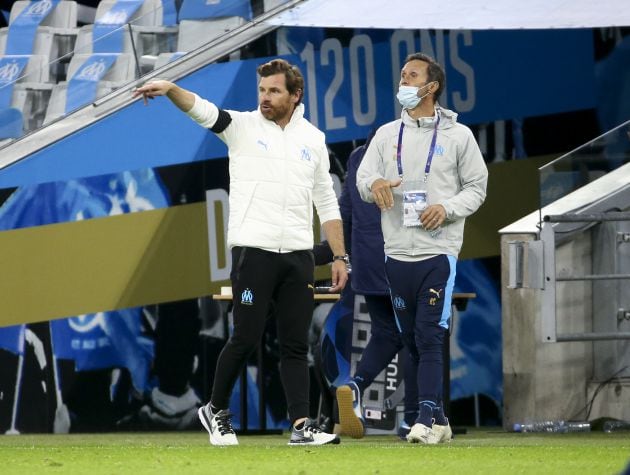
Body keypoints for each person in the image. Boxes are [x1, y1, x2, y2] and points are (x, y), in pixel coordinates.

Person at [133, 58, 348, 446]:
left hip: (298, 258)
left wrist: (339, 256)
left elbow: (328, 205)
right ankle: (215, 410)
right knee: (245, 338)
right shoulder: (241, 127)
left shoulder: (314, 140)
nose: (265, 98)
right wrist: (169, 89)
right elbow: (202, 109)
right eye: (262, 90)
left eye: (274, 91)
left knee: (296, 345)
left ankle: (301, 426)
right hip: (254, 255)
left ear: (295, 95)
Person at [356, 53, 488, 444]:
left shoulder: (458, 137)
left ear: (431, 87)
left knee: (430, 335)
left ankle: (426, 417)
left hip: (438, 252)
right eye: (402, 75)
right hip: (396, 252)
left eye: (411, 76)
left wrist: (446, 208)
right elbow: (364, 178)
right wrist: (375, 184)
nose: (403, 82)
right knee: (412, 338)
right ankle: (440, 419)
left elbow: (477, 188)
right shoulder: (384, 135)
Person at [335, 130, 421, 440]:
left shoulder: (358, 157)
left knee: (387, 333)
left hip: (367, 266)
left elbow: (344, 213)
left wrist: (340, 257)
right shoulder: (409, 157)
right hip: (400, 259)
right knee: (413, 340)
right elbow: (416, 212)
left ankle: (355, 386)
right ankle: (413, 421)